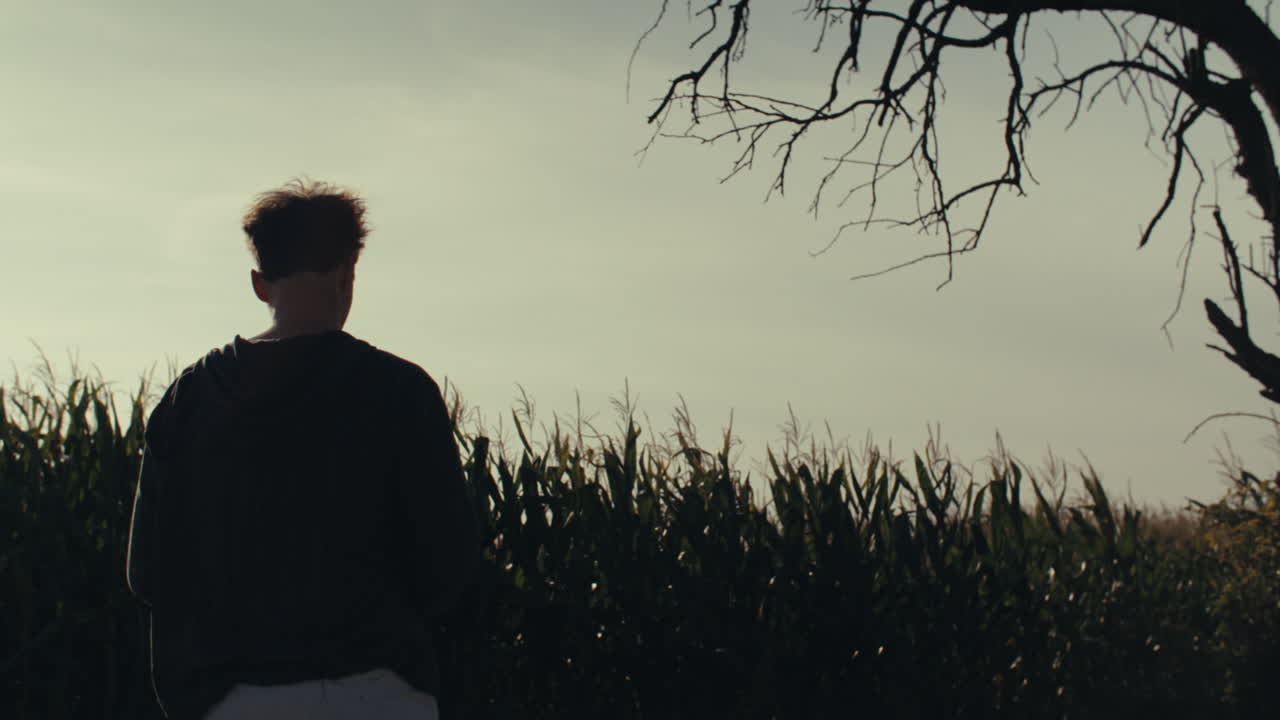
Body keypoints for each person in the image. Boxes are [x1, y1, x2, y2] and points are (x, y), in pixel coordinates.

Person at [125, 179, 480, 720]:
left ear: (259, 284)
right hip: (381, 695)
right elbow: (445, 570)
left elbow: (147, 574)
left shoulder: (188, 402)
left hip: (231, 699)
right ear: (347, 275)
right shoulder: (402, 394)